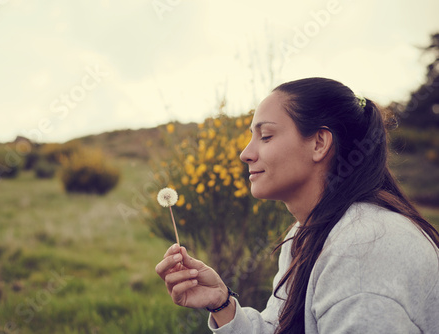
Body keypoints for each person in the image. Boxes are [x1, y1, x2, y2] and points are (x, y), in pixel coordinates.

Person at [155, 77, 439, 333]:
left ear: (319, 143)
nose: (245, 154)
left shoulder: (365, 247)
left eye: (265, 136)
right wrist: (222, 304)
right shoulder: (305, 233)